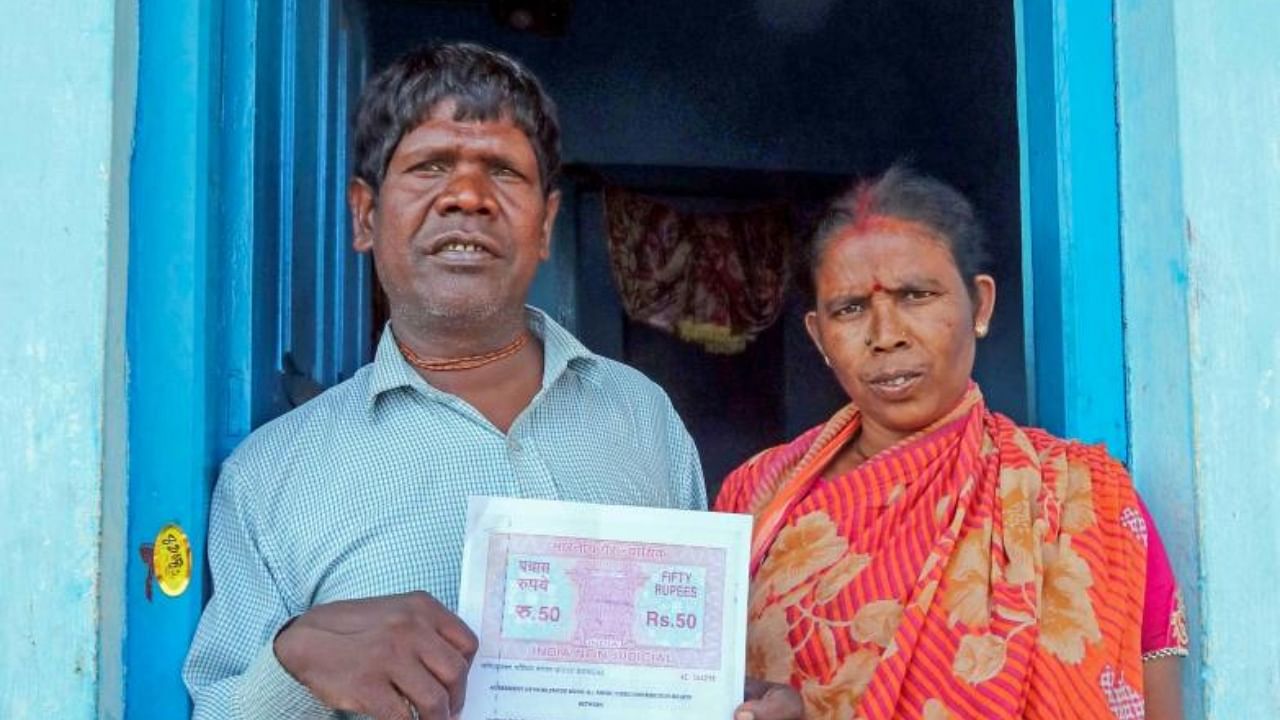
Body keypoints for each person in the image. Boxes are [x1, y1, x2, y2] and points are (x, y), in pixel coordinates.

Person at [183, 43, 722, 720]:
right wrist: (295, 663)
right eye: (430, 165)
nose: (467, 197)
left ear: (546, 224)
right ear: (363, 215)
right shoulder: (269, 477)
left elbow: (695, 664)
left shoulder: (642, 416)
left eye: (502, 171)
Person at [717, 166, 1188, 719]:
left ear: (980, 306)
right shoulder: (757, 497)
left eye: (916, 295)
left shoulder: (1081, 497)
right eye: (851, 308)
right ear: (819, 335)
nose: (885, 334)